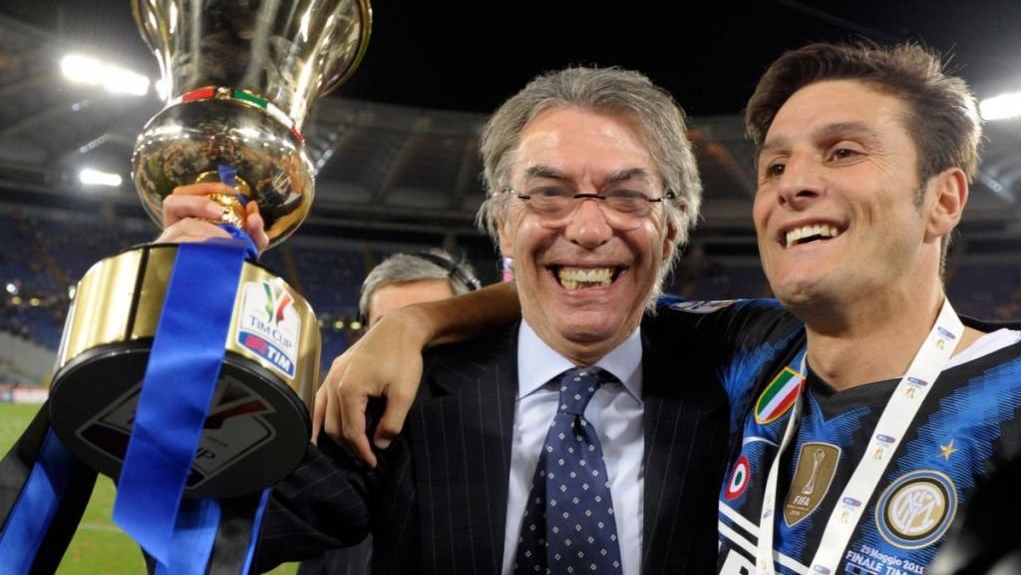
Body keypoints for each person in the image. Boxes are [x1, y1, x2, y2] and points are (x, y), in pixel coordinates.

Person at [322, 42, 1021, 575]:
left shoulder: (1010, 396)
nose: (795, 184)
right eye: (775, 166)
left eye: (842, 152)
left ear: (944, 199)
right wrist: (413, 322)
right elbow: (579, 287)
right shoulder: (749, 348)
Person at [161, 66, 726, 574]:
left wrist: (418, 321)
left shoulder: (736, 394)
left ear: (673, 226)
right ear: (503, 225)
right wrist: (188, 319)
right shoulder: (404, 397)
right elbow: (203, 547)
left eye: (627, 196)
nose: (587, 229)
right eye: (547, 194)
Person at [298, 249, 480, 575]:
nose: (405, 353)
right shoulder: (332, 462)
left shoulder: (504, 450)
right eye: (384, 333)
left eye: (432, 329)